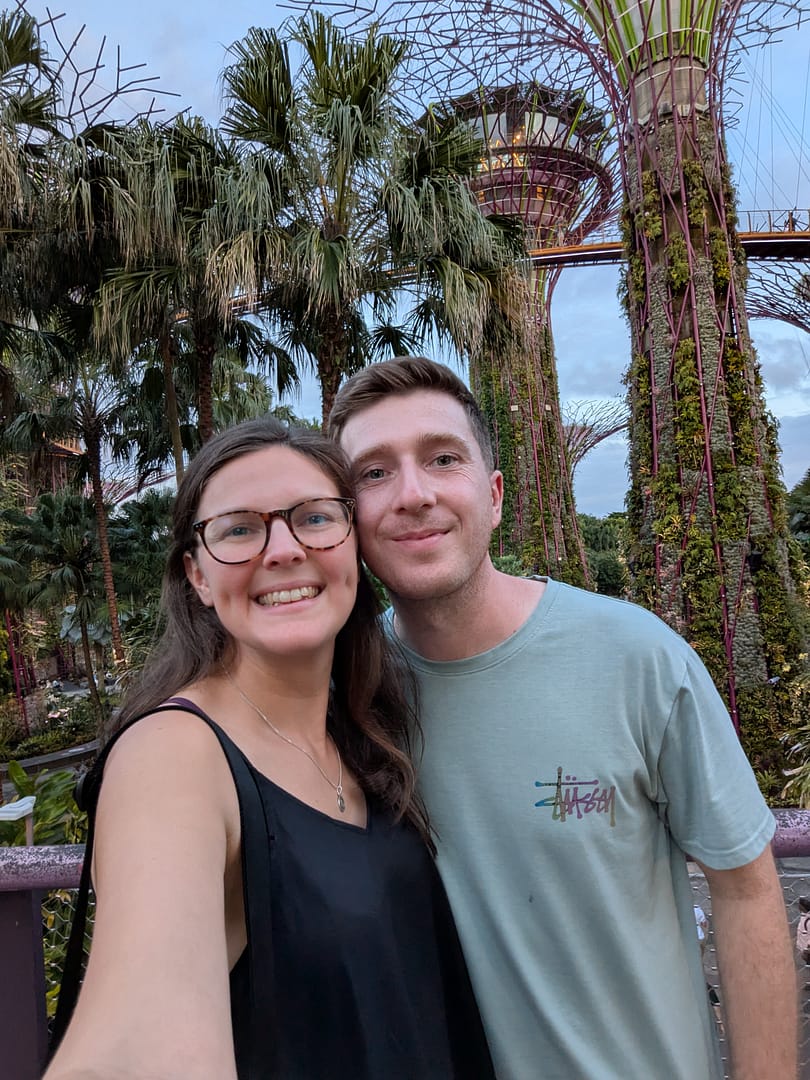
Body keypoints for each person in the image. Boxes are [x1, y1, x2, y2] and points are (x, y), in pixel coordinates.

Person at [329, 355, 798, 1080]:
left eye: (442, 458)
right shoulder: (346, 695)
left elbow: (743, 885)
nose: (412, 494)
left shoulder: (636, 659)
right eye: (373, 473)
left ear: (494, 495)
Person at [45, 416, 494, 1080]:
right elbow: (133, 1047)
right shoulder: (174, 757)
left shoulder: (363, 732)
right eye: (238, 529)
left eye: (313, 518)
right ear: (197, 577)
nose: (282, 548)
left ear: (353, 546)